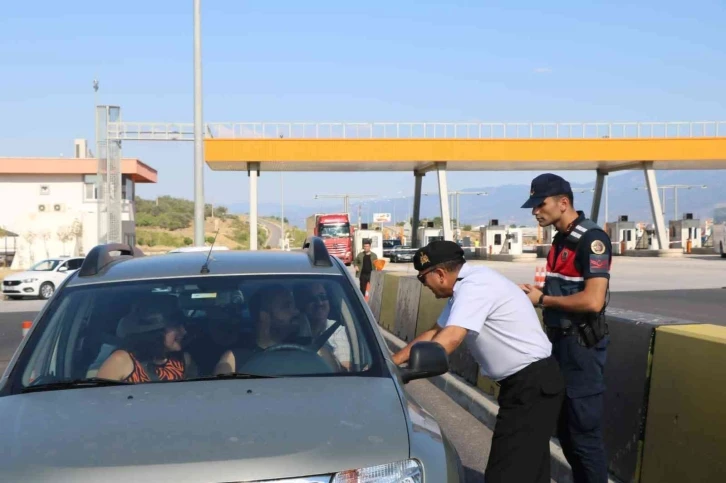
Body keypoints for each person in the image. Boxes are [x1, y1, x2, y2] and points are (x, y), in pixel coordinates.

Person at [392, 240, 565, 483]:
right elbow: (434, 332)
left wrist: (414, 369)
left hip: (532, 384)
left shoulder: (476, 286)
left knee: (505, 474)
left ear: (440, 274)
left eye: (423, 279)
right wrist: (392, 362)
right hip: (525, 385)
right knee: (529, 471)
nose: (424, 286)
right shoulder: (463, 289)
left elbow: (451, 338)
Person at [519, 173, 611, 483]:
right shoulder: (560, 240)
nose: (535, 212)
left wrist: (543, 299)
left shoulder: (592, 239)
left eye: (540, 204)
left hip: (580, 348)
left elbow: (594, 301)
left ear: (563, 202)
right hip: (559, 344)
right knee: (567, 436)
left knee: (583, 436)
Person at [98, 296, 197, 383]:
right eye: (176, 327)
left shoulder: (183, 360)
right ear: (157, 333)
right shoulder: (121, 360)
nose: (184, 332)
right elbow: (98, 400)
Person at [214, 284, 306, 374]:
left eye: (294, 306)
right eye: (286, 306)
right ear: (264, 317)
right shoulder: (234, 360)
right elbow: (219, 388)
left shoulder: (306, 354)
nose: (296, 311)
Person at [295, 282, 352, 369]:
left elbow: (346, 368)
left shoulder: (337, 330)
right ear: (301, 304)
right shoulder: (291, 330)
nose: (319, 303)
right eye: (312, 299)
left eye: (323, 297)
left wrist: (322, 347)